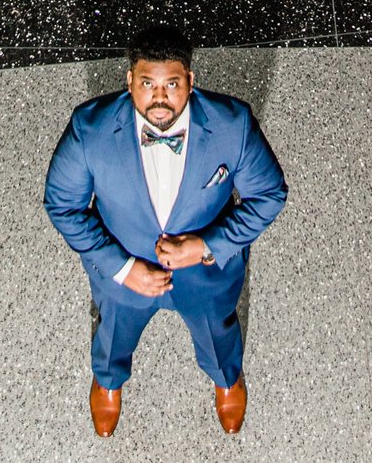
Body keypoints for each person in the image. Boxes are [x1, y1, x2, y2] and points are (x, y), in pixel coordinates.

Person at [42, 25, 288, 436]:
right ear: (130, 82)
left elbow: (270, 194)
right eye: (148, 84)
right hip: (124, 276)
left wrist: (207, 246)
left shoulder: (234, 125)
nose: (160, 98)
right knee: (113, 332)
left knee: (217, 331)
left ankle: (227, 378)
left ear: (190, 81)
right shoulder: (90, 129)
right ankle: (108, 381)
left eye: (172, 84)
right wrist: (122, 269)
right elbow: (62, 206)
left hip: (205, 275)